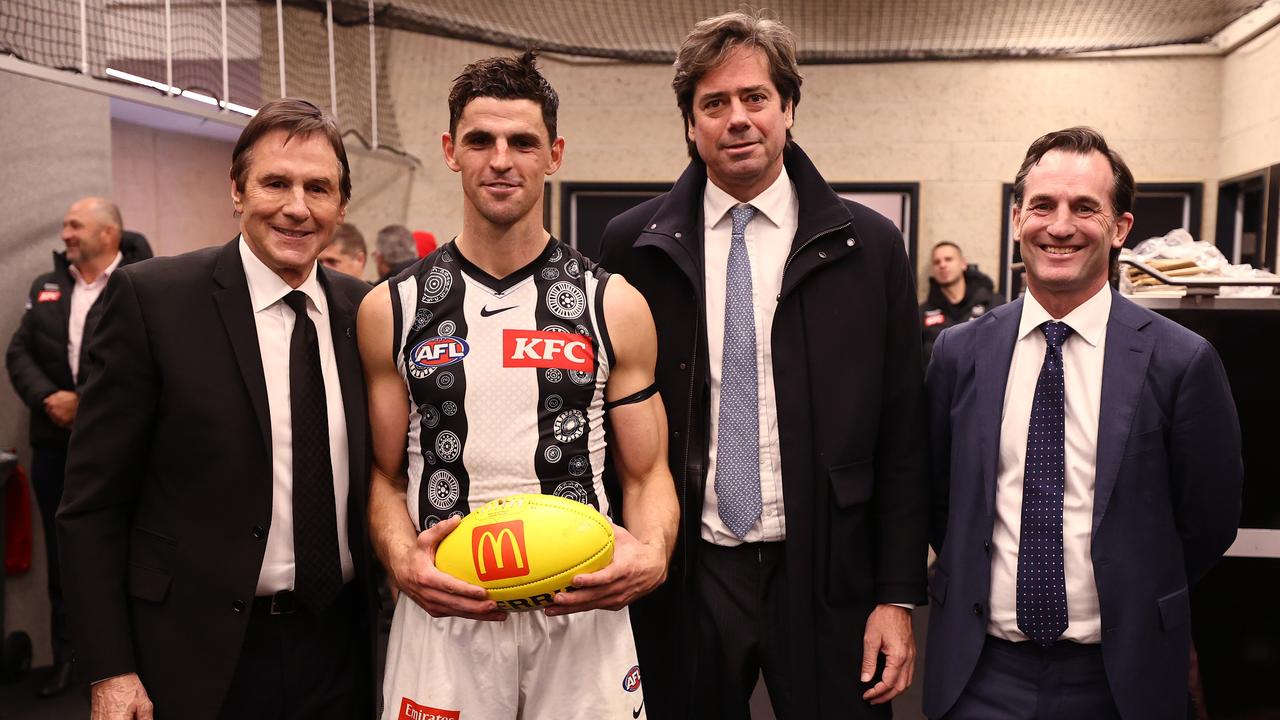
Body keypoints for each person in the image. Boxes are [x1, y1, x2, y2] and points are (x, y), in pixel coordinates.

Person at [598, 11, 928, 719]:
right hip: (688, 572)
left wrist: (896, 596)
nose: (737, 118)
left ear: (789, 109)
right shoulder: (633, 247)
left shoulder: (867, 247)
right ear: (690, 124)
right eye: (714, 103)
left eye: (755, 98)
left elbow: (905, 434)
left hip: (829, 573)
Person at [361, 51, 677, 720]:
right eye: (480, 140)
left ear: (553, 154)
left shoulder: (611, 304)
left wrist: (652, 555)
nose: (500, 160)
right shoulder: (392, 307)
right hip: (445, 612)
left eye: (522, 142)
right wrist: (400, 560)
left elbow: (648, 475)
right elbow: (383, 477)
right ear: (451, 150)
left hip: (579, 613)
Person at [56, 98, 377, 719]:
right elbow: (91, 506)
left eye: (319, 188)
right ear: (236, 190)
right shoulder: (153, 301)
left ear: (342, 206)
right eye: (275, 183)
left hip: (340, 647)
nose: (296, 206)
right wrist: (110, 668)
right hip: (196, 653)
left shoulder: (364, 313)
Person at [923, 127, 1242, 719]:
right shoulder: (958, 354)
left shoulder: (1182, 361)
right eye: (1042, 205)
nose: (1060, 225)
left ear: (1120, 228)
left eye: (1084, 208)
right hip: (981, 674)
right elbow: (942, 501)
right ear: (1017, 219)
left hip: (1121, 677)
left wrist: (1136, 582)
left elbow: (1209, 518)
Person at [5, 198, 151, 698]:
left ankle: (135, 657)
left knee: (129, 547)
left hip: (119, 448)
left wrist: (84, 404)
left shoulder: (145, 283)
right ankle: (72, 657)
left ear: (110, 232)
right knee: (66, 552)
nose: (65, 233)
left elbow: (143, 368)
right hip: (54, 446)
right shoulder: (48, 286)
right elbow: (19, 350)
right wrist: (49, 398)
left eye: (75, 225)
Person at [920, 241, 1004, 359]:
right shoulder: (922, 313)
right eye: (936, 262)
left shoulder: (994, 304)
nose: (942, 265)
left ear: (963, 264)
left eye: (948, 259)